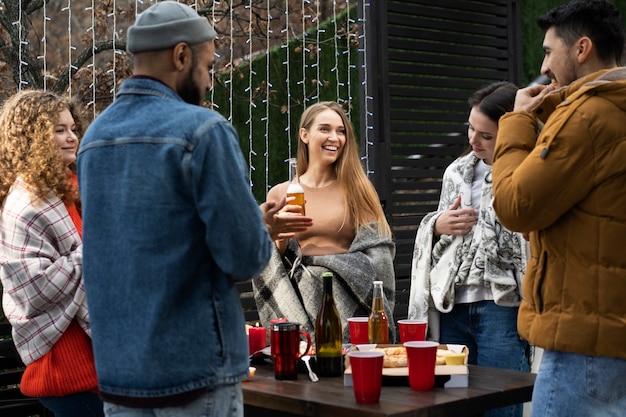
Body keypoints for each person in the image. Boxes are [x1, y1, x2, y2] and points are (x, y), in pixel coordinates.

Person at [76, 2, 308, 416]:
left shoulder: (94, 139)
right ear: (181, 56)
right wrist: (260, 228)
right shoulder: (204, 131)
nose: (209, 80)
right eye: (208, 65)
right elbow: (245, 255)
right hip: (194, 372)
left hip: (120, 376)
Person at [491, 1, 626, 416]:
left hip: (583, 339)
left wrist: (515, 121)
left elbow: (515, 205)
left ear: (582, 48)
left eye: (549, 52)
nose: (545, 66)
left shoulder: (589, 114)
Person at [408, 82, 530, 417]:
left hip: (502, 308)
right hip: (452, 308)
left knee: (500, 408)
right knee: (453, 407)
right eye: (470, 129)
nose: (473, 141)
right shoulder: (456, 172)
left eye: (486, 136)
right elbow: (438, 240)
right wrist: (436, 225)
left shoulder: (530, 170)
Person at [252, 101, 396, 343]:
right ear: (304, 135)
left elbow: (379, 254)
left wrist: (333, 267)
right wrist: (279, 237)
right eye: (325, 129)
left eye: (341, 131)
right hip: (296, 303)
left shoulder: (358, 190)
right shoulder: (280, 193)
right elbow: (273, 262)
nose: (335, 137)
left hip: (350, 304)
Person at [0, 90, 103, 417]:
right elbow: (35, 290)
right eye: (59, 130)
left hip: (95, 358)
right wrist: (100, 248)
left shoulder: (66, 189)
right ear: (32, 136)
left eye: (72, 128)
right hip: (66, 366)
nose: (72, 137)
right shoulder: (28, 204)